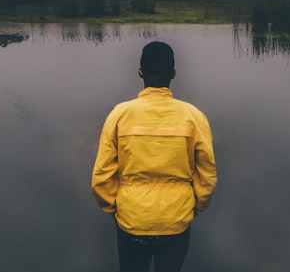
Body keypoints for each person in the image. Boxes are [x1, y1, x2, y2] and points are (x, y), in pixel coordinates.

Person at [91, 41, 218, 272]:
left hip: (131, 220)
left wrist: (115, 209)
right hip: (176, 220)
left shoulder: (119, 115)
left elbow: (101, 176)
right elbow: (207, 175)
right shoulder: (194, 117)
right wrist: (194, 206)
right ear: (173, 74)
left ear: (140, 73)